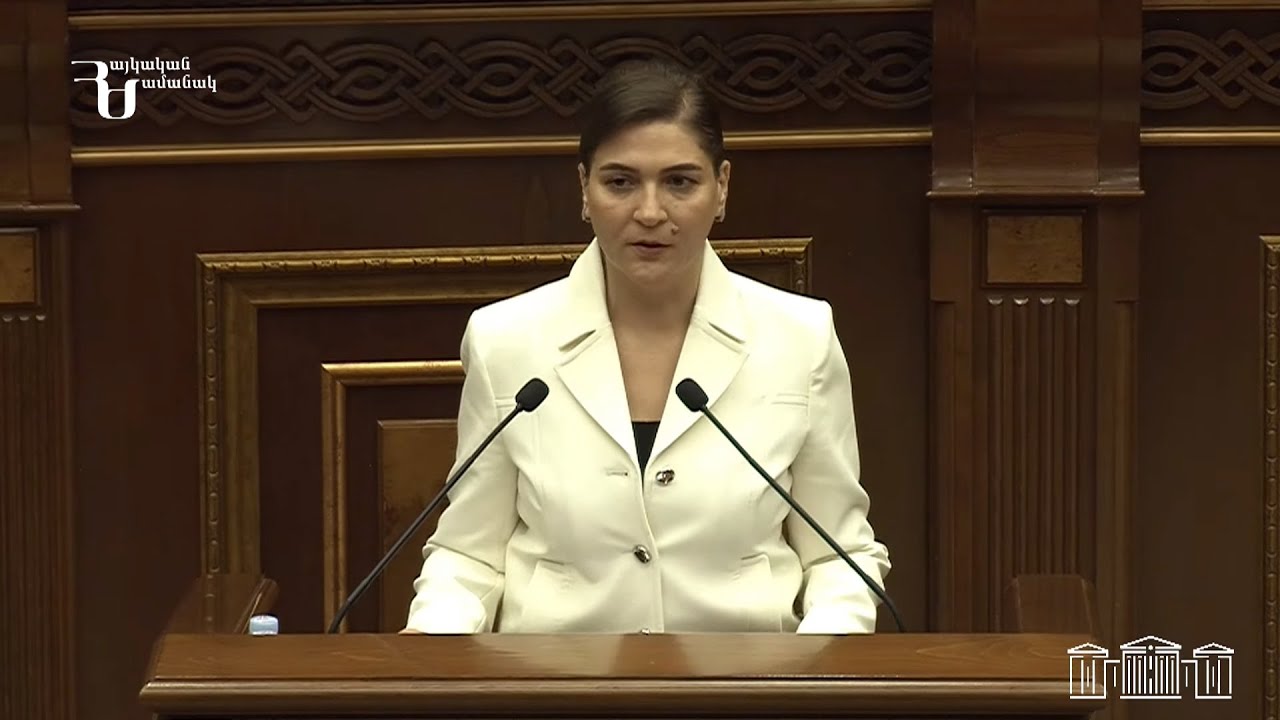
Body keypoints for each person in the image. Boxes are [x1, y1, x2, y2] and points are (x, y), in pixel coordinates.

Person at [402, 57, 890, 635]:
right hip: (555, 675)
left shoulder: (799, 337)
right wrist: (433, 652)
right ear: (584, 189)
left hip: (747, 675)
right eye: (620, 182)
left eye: (680, 182)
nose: (650, 212)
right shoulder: (506, 340)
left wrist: (819, 665)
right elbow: (468, 557)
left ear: (721, 187)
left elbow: (838, 556)